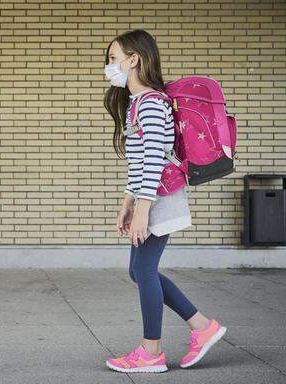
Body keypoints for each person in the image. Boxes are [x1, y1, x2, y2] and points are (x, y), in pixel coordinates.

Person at [102, 29, 227, 373]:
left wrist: (142, 210)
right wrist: (127, 203)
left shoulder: (153, 103)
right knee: (138, 271)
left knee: (143, 270)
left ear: (133, 59)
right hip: (148, 198)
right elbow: (140, 161)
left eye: (113, 59)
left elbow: (156, 159)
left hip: (159, 199)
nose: (109, 66)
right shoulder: (137, 105)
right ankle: (202, 327)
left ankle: (151, 351)